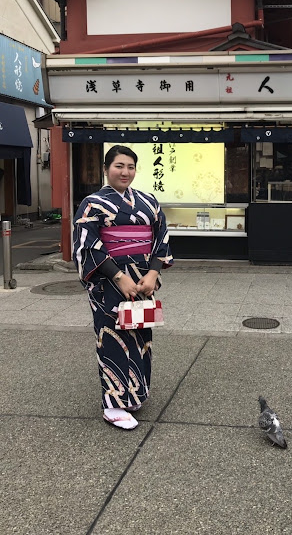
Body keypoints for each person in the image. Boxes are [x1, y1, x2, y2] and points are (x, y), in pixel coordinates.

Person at [73, 145, 173, 430]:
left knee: (141, 336)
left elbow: (160, 239)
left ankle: (135, 393)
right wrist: (119, 277)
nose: (125, 172)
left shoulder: (148, 201)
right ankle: (113, 403)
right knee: (112, 336)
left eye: (130, 166)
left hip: (142, 281)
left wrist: (153, 273)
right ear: (106, 169)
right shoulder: (92, 204)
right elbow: (86, 245)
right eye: (119, 166)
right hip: (108, 282)